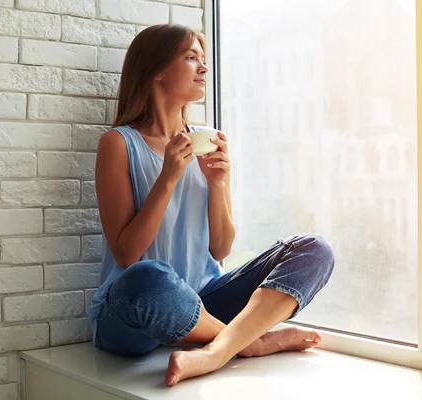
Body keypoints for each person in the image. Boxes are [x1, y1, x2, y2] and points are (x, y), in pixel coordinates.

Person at [87, 24, 335, 387]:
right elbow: (127, 255)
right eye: (191, 58)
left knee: (314, 250)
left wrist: (218, 183)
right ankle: (251, 342)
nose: (203, 68)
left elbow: (221, 248)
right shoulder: (118, 144)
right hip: (133, 312)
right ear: (155, 70)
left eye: (204, 59)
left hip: (204, 301)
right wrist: (168, 177)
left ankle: (218, 350)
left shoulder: (205, 140)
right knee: (147, 276)